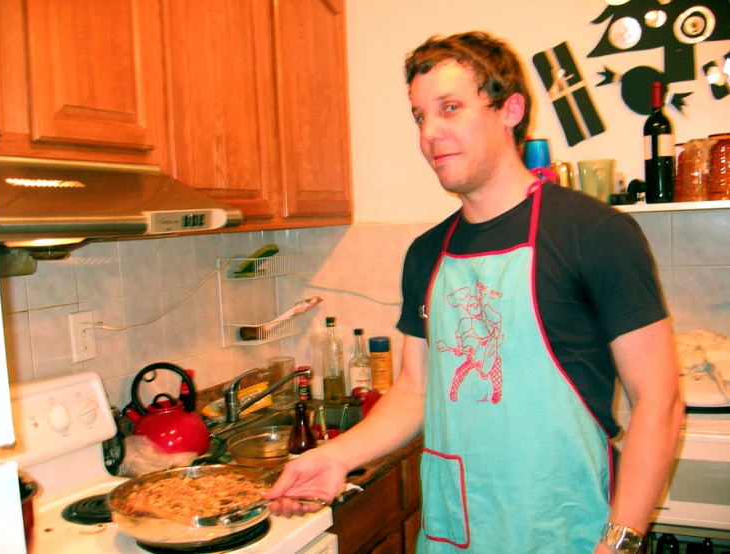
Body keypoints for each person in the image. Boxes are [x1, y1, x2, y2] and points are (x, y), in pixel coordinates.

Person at [264, 31, 684, 553]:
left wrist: (619, 544)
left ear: (510, 109)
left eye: (450, 108)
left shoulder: (593, 232)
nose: (430, 134)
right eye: (420, 116)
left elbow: (658, 401)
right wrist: (335, 456)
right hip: (456, 530)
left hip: (568, 529)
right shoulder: (426, 253)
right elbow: (414, 391)